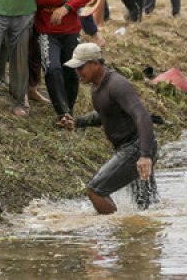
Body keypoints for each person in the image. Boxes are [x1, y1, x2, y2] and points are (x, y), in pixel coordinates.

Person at [65, 43, 158, 214]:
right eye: (76, 68)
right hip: (131, 148)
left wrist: (145, 156)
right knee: (146, 207)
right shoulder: (96, 86)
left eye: (80, 67)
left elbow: (142, 116)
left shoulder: (117, 85)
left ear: (95, 63)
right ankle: (141, 233)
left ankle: (114, 228)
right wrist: (77, 122)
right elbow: (104, 114)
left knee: (94, 190)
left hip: (136, 148)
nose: (77, 73)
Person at [34, 0, 94, 126]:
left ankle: (69, 110)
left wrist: (67, 7)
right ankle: (62, 113)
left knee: (71, 69)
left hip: (70, 29)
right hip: (46, 29)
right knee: (52, 68)